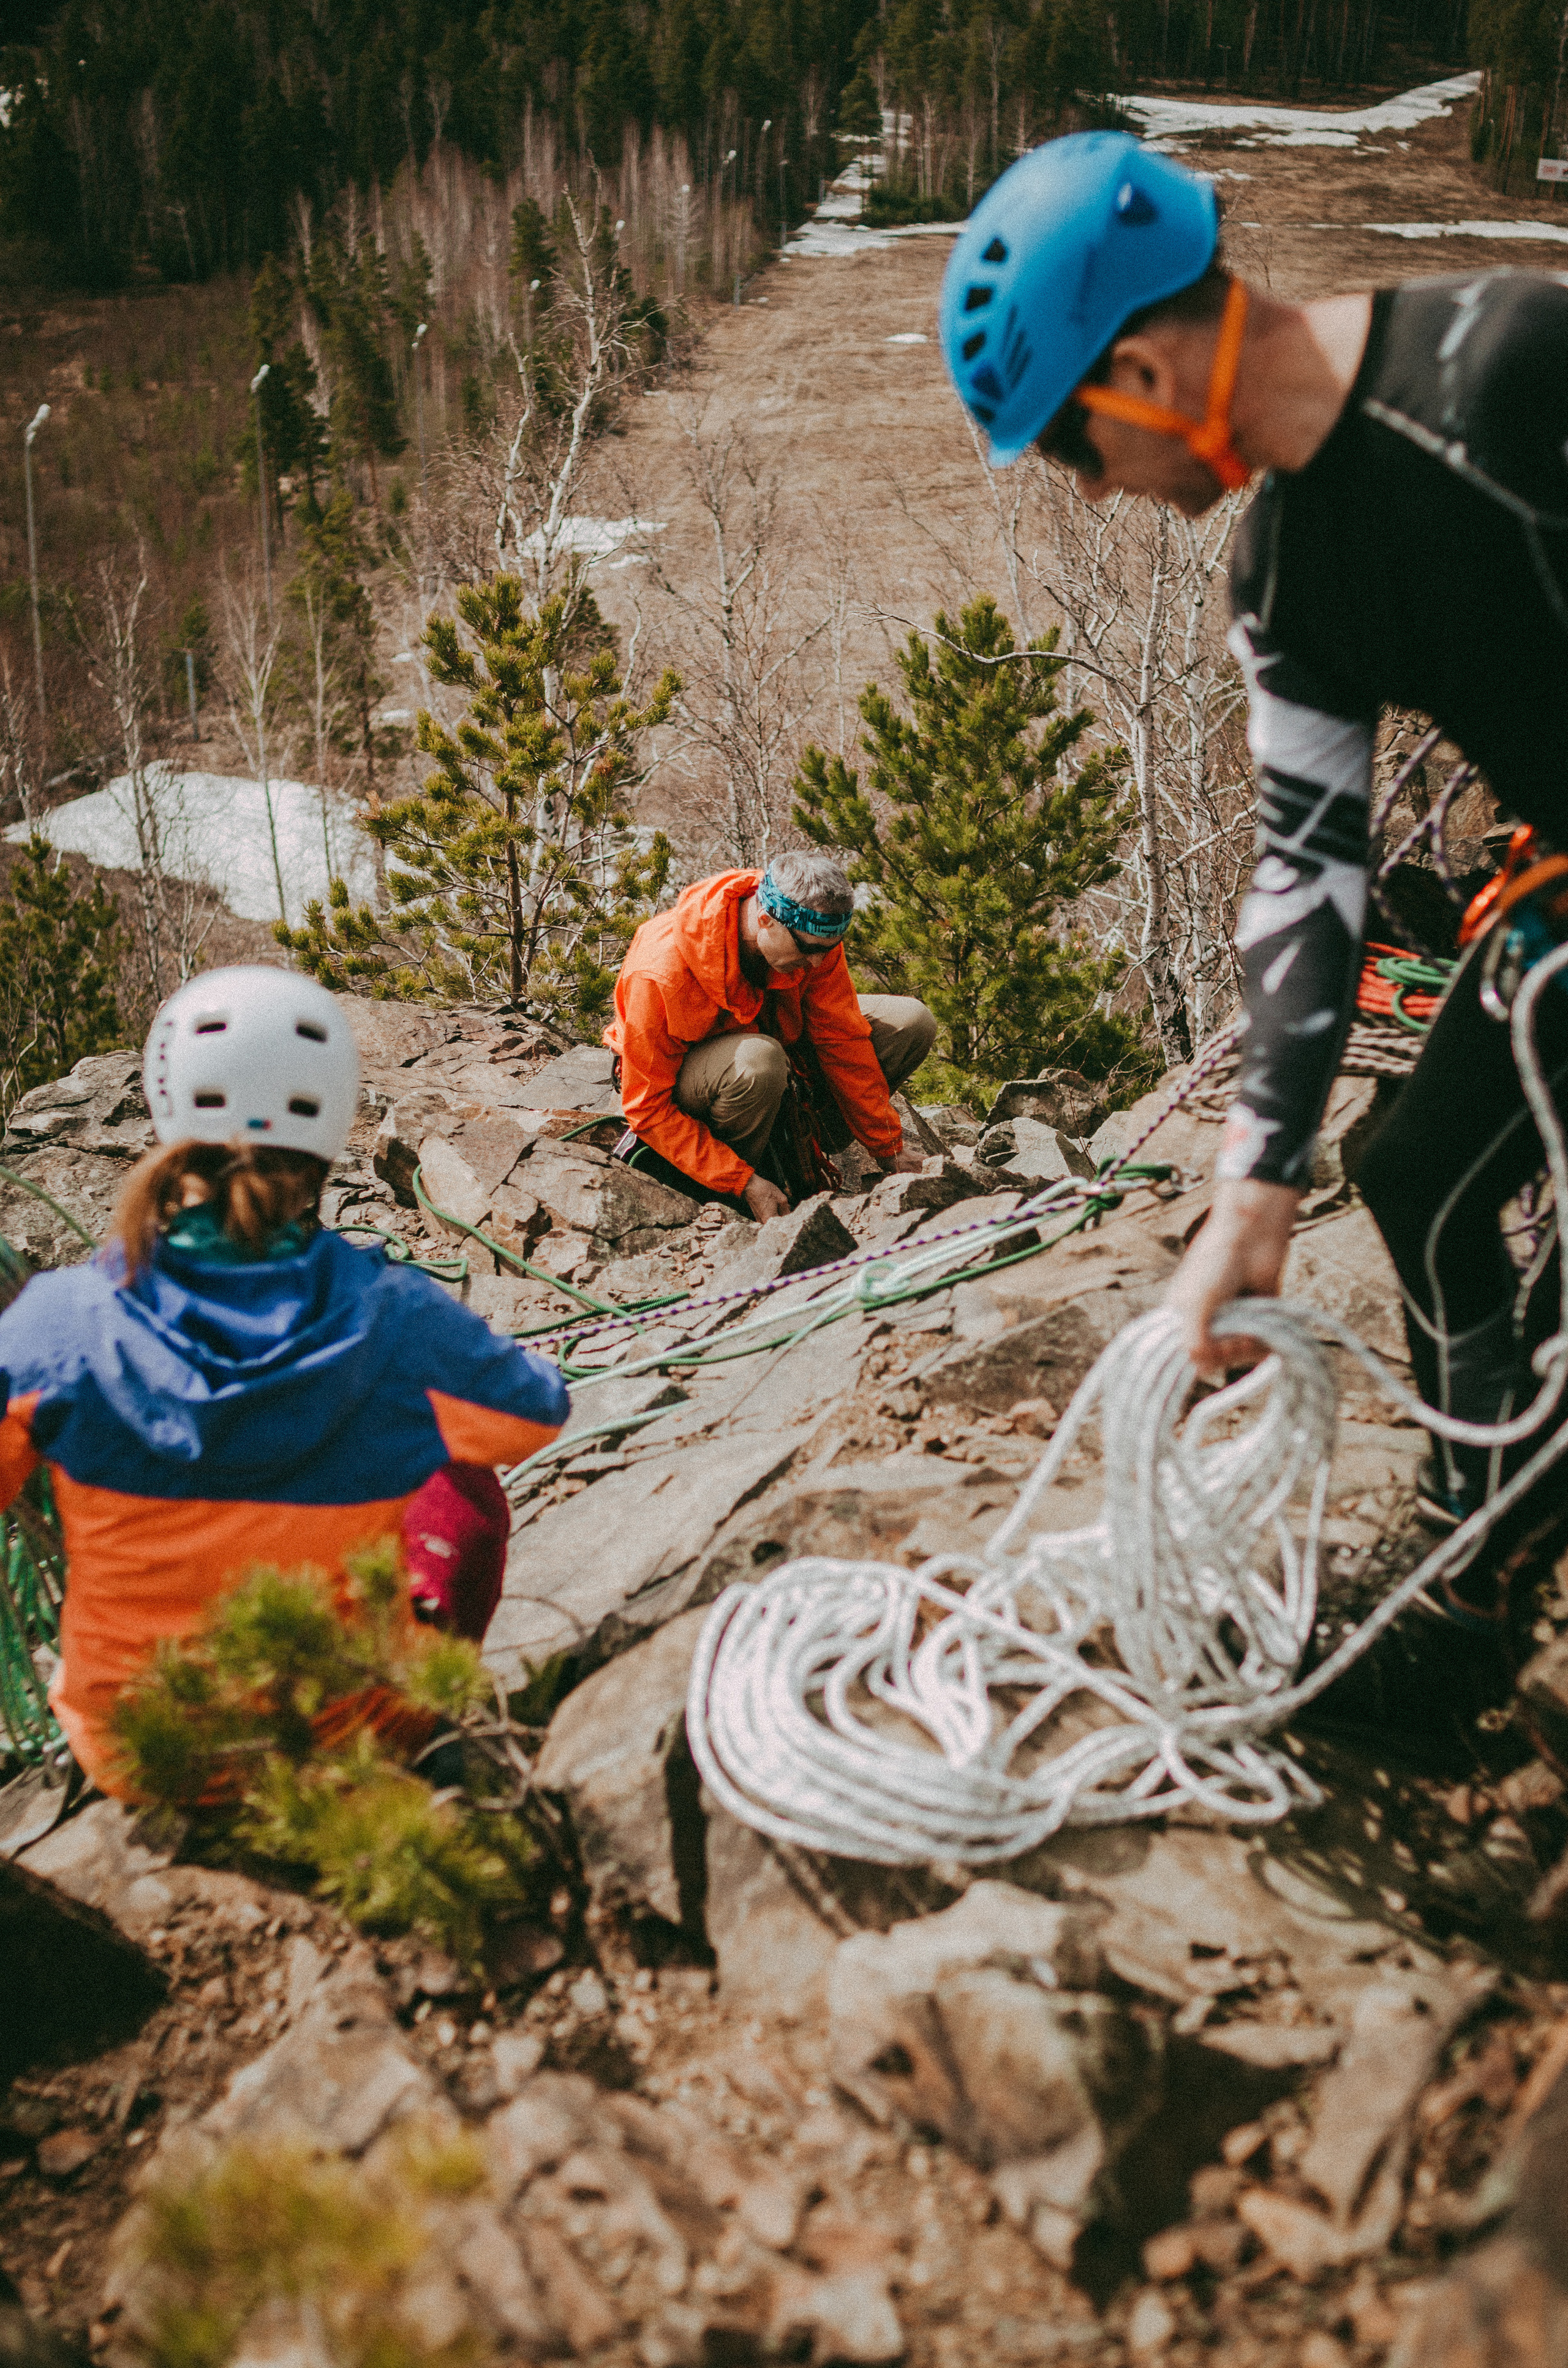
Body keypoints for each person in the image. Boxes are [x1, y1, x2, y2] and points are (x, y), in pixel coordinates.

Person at [939, 134, 1568, 1717]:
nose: (1095, 492)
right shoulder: (1287, 576)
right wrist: (1251, 1192)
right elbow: (1306, 872)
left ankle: (1495, 1550)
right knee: (1418, 1173)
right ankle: (1476, 1581)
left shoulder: (1515, 365)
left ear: (1145, 368)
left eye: (1079, 447)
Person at [0, 967, 568, 1796]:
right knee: (459, 1468)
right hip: (354, 1733)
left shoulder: (57, 1322)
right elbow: (536, 1415)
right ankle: (426, 1678)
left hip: (137, 1749)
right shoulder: (397, 1314)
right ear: (329, 1122)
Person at [606, 850, 938, 1220]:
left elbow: (841, 1038)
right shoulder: (659, 973)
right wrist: (743, 1181)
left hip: (778, 1057)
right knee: (758, 1061)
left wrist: (888, 1148)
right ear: (766, 920)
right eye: (809, 950)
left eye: (828, 950)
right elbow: (647, 1107)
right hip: (695, 1086)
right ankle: (723, 1188)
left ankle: (805, 1137)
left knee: (912, 1021)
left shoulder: (812, 933)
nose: (817, 963)